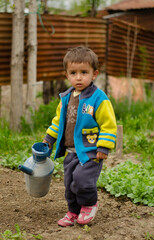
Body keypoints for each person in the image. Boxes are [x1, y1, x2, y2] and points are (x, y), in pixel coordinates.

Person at [43, 46, 117, 227]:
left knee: (83, 180)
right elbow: (58, 122)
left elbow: (108, 123)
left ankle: (89, 204)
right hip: (70, 152)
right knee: (69, 184)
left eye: (84, 72)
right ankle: (73, 211)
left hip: (90, 151)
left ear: (94, 74)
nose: (78, 77)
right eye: (73, 73)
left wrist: (104, 146)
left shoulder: (98, 98)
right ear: (67, 75)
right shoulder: (66, 98)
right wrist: (49, 139)